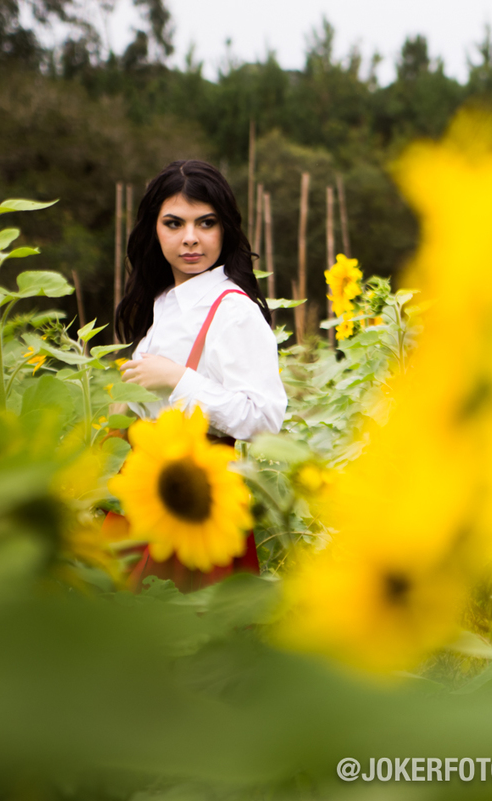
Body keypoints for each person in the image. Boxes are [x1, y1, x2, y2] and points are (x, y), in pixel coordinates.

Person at [112, 159, 287, 590]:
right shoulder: (166, 303)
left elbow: (265, 417)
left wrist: (177, 379)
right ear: (154, 230)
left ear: (224, 228)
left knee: (188, 638)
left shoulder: (233, 311)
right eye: (174, 223)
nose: (190, 238)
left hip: (197, 502)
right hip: (147, 493)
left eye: (205, 223)